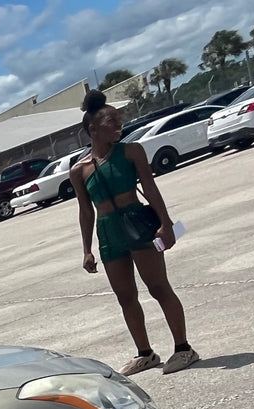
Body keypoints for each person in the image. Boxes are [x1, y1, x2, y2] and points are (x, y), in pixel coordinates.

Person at [70, 89, 199, 375]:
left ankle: (183, 348)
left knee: (158, 286)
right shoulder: (79, 170)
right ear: (93, 129)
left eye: (119, 119)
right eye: (111, 121)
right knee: (125, 296)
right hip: (108, 232)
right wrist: (87, 249)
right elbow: (85, 210)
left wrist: (165, 223)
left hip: (138, 222)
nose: (119, 124)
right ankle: (145, 353)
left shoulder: (131, 151)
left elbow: (150, 189)